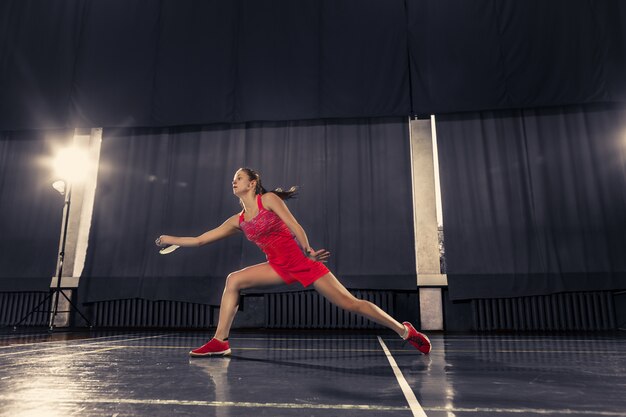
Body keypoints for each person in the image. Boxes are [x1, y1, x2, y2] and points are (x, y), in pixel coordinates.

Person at [156, 168, 431, 357]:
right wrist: (172, 238)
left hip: (303, 262)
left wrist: (308, 249)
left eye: (238, 178)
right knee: (233, 279)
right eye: (233, 179)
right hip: (276, 266)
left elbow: (294, 224)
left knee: (350, 304)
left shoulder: (269, 199)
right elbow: (202, 239)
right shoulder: (237, 221)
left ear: (252, 183)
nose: (234, 182)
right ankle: (220, 342)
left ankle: (404, 330)